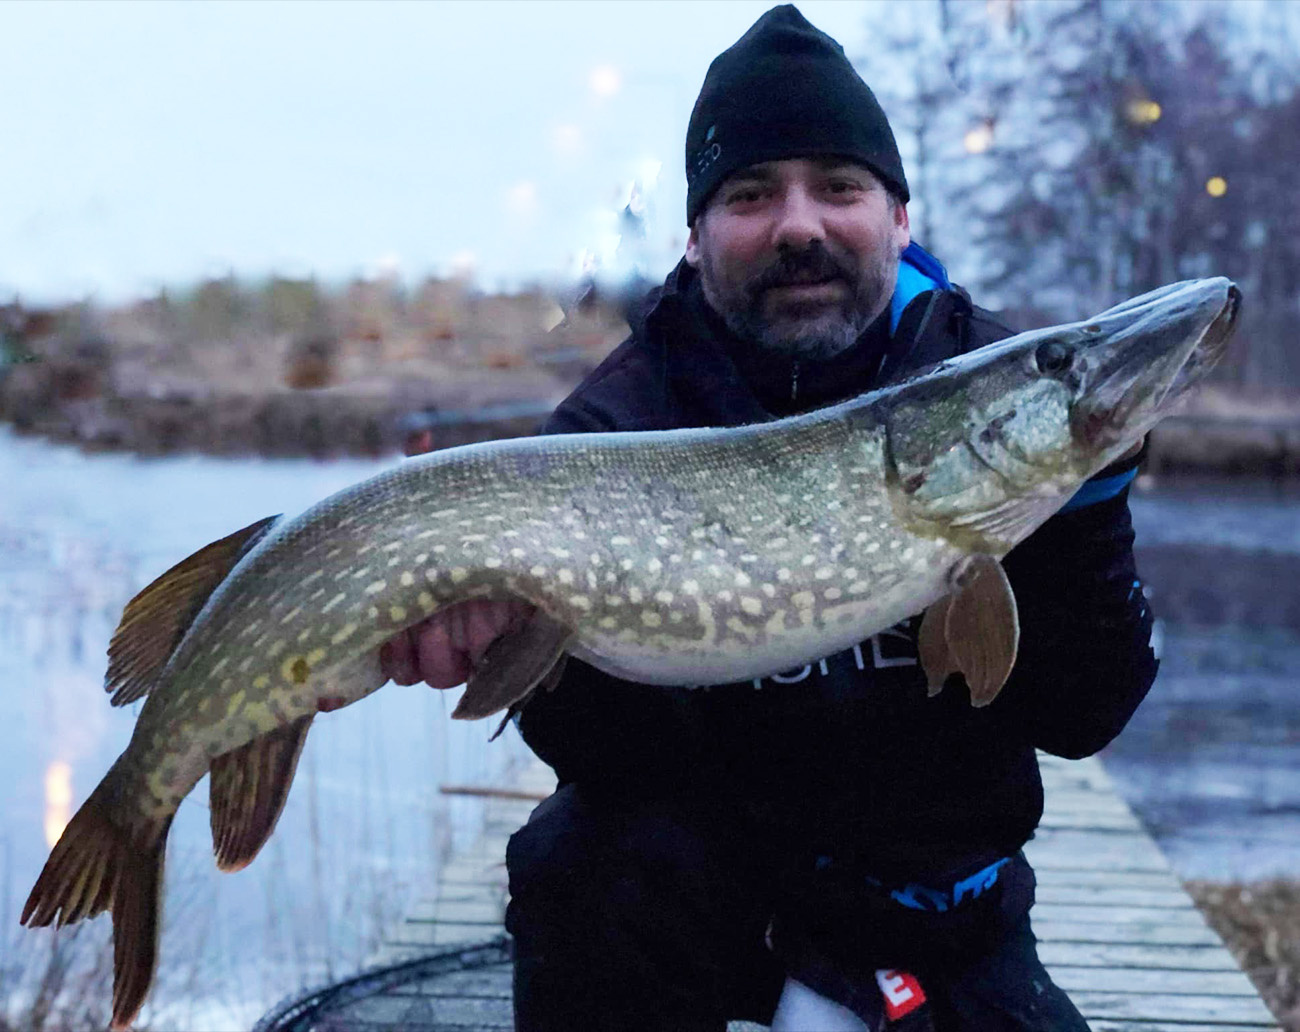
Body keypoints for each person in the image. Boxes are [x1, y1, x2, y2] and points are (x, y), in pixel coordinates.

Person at [380, 7, 1157, 1030]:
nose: (799, 225)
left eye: (838, 187)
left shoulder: (996, 384)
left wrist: (1088, 497)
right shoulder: (616, 425)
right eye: (750, 195)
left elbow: (1080, 715)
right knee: (578, 861)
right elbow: (608, 765)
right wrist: (520, 643)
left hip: (936, 917)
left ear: (899, 218)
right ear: (696, 237)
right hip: (709, 910)